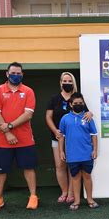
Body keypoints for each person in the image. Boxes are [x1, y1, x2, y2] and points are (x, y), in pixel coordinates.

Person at [0, 62, 39, 212]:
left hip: (25, 139)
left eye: (18, 73)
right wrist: (8, 133)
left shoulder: (28, 91)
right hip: (2, 140)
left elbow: (28, 114)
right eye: (13, 73)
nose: (15, 75)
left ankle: (33, 196)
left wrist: (9, 126)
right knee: (0, 170)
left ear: (22, 75)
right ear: (7, 74)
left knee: (29, 168)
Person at [45, 72, 92, 204]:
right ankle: (64, 192)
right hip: (58, 137)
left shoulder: (77, 98)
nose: (67, 83)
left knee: (73, 165)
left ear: (73, 83)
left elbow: (86, 112)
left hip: (74, 139)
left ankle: (72, 193)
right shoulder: (54, 99)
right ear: (60, 83)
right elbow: (48, 117)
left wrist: (90, 113)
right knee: (60, 165)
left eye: (69, 81)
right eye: (64, 81)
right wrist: (55, 131)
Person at [58, 92, 99, 211]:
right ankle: (76, 201)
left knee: (87, 176)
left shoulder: (88, 118)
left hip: (87, 154)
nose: (78, 105)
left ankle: (90, 199)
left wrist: (95, 150)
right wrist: (61, 151)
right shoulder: (65, 119)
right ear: (70, 104)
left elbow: (94, 135)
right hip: (72, 155)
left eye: (80, 103)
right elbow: (61, 136)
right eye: (76, 103)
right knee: (75, 177)